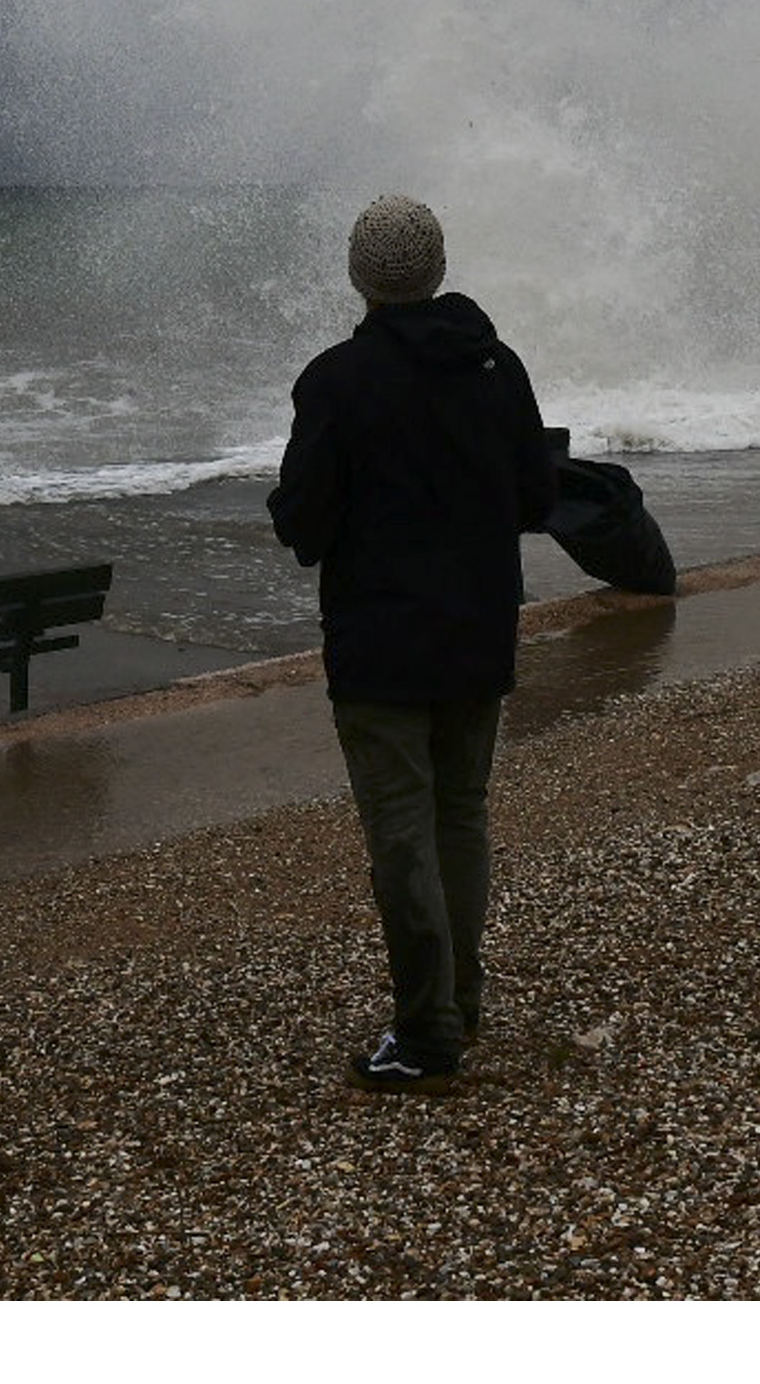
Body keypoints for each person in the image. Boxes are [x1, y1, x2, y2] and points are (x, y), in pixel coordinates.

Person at [268, 194, 555, 1090]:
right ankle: (456, 1004)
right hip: (478, 625)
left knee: (401, 832)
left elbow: (303, 524)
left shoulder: (336, 380)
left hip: (381, 639)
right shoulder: (495, 364)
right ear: (436, 269)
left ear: (360, 277)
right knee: (458, 814)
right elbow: (537, 497)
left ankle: (427, 1037)